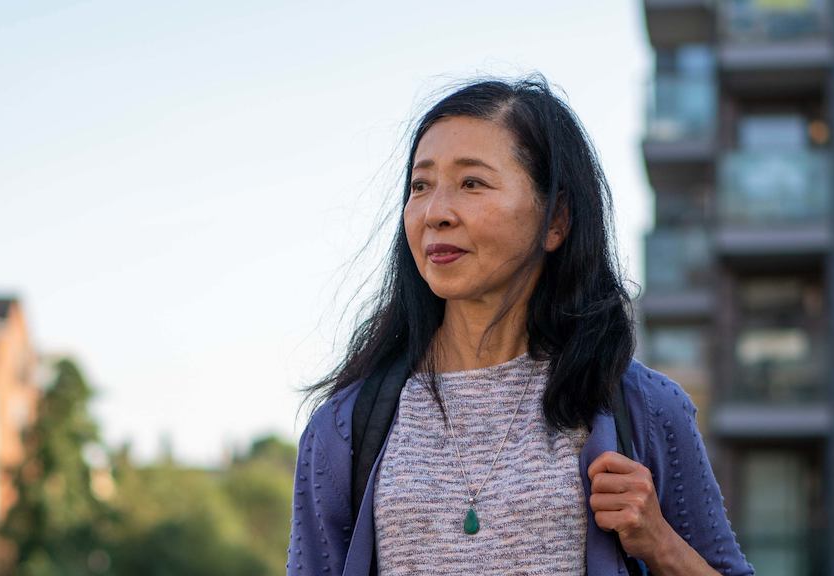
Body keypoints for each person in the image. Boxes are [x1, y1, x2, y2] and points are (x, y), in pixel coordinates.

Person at [287, 76, 754, 576]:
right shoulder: (343, 427)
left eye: (472, 183)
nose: (436, 213)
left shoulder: (647, 408)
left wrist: (660, 543)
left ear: (555, 220)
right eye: (421, 186)